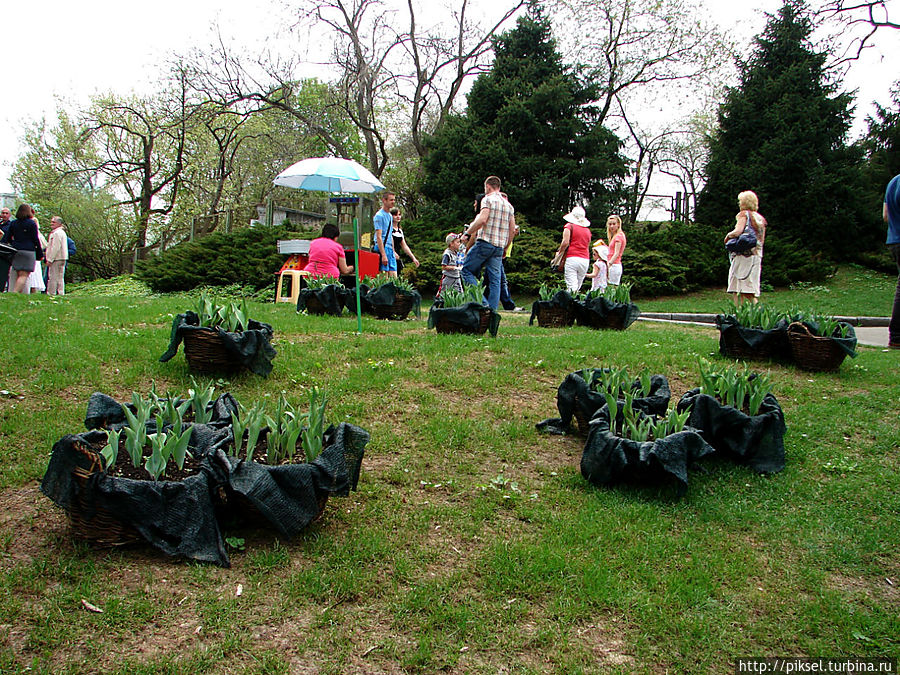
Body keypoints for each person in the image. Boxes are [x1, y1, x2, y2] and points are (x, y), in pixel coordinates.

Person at [461, 176, 516, 310]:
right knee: (495, 281)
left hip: (485, 243)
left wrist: (467, 233)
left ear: (488, 186)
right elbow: (512, 230)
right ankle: (492, 311)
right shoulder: (508, 205)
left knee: (466, 271)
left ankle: (483, 303)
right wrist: (506, 246)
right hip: (499, 247)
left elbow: (482, 220)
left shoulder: (487, 199)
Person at [724, 190, 767, 305]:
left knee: (737, 287)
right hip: (756, 256)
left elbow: (738, 231)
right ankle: (755, 311)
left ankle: (739, 311)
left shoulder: (743, 214)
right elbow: (761, 240)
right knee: (749, 288)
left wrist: (728, 236)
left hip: (743, 256)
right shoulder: (760, 218)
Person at [0, 204, 43, 294]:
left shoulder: (13, 223)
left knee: (15, 273)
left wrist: (13, 244)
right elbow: (35, 239)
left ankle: (17, 292)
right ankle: (15, 292)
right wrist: (39, 253)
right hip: (28, 251)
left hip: (16, 250)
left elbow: (7, 238)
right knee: (24, 275)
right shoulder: (31, 223)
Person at [553, 205, 592, 293]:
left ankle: (571, 301)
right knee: (578, 286)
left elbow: (565, 242)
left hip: (572, 258)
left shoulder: (569, 226)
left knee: (571, 286)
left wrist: (559, 252)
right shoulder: (587, 231)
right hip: (585, 259)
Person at [884, 172, 900, 348]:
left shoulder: (893, 182)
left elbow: (885, 216)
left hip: (895, 241)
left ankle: (896, 336)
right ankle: (897, 336)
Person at [389, 207, 419, 275]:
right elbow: (389, 242)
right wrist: (393, 252)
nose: (398, 217)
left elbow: (404, 246)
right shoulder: (388, 229)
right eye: (395, 215)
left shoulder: (400, 231)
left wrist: (413, 258)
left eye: (399, 215)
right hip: (389, 256)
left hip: (397, 257)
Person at [373, 192, 397, 277]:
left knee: (394, 276)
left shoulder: (390, 216)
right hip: (382, 247)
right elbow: (378, 236)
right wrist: (383, 255)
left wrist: (393, 251)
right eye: (391, 200)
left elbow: (390, 234)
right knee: (384, 276)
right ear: (384, 200)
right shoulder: (379, 216)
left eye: (394, 200)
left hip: (389, 247)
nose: (393, 202)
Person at [46, 216, 69, 296]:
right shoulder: (62, 232)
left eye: (54, 222)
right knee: (60, 277)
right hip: (63, 257)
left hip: (56, 258)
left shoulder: (56, 233)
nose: (51, 224)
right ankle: (60, 293)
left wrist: (50, 259)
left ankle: (51, 293)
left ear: (59, 224)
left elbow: (55, 247)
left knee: (53, 276)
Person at [439, 232, 464, 298]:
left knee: (460, 294)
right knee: (443, 294)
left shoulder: (457, 253)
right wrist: (454, 268)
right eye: (457, 242)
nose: (459, 244)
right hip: (448, 277)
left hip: (456, 276)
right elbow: (444, 267)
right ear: (451, 244)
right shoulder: (447, 254)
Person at [606, 215, 627, 286]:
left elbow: (616, 253)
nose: (611, 226)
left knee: (611, 288)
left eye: (614, 224)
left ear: (618, 224)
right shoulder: (616, 236)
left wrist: (609, 264)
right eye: (610, 224)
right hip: (613, 264)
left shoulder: (619, 236)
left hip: (614, 265)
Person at [0, 207, 11, 292]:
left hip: (5, 250)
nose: (4, 215)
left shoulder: (10, 225)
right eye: (3, 213)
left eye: (6, 213)